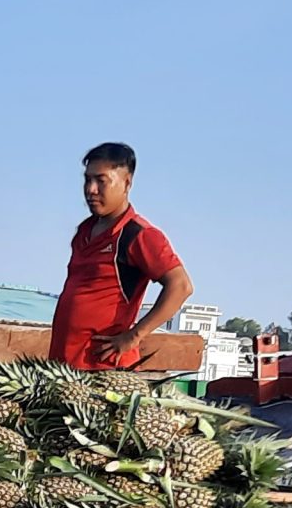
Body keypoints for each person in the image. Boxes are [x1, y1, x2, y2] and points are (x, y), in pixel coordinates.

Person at [47, 142, 195, 371]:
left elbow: (181, 285)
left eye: (101, 181)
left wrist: (134, 336)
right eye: (87, 180)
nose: (91, 189)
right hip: (64, 368)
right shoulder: (85, 231)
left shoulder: (138, 235)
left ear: (127, 183)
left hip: (104, 370)